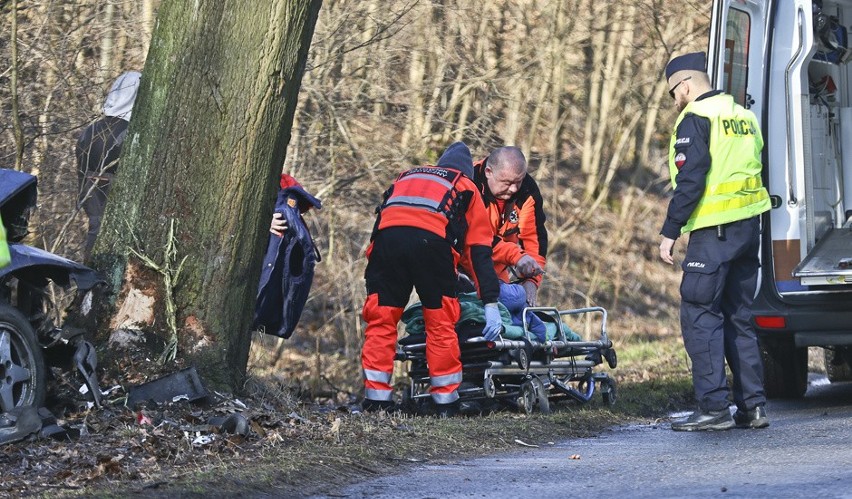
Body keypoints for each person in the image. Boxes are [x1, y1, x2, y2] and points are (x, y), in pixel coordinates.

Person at [660, 52, 771, 431]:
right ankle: (752, 407)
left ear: (685, 85)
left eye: (674, 91)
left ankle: (713, 408)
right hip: (748, 228)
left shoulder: (696, 119)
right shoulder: (743, 116)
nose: (675, 99)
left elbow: (690, 180)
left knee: (700, 313)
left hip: (714, 231)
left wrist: (669, 232)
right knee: (739, 317)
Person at [361, 142, 502, 417]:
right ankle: (445, 403)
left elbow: (383, 222)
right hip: (431, 246)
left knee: (381, 319)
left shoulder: (407, 176)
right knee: (439, 323)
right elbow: (478, 252)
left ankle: (376, 400)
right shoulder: (466, 186)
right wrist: (490, 301)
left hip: (386, 245)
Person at [75, 71, 141, 259]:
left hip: (95, 215)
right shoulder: (131, 133)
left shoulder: (90, 131)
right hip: (119, 218)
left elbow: (83, 180)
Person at [472, 147, 547, 306]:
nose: (513, 189)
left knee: (518, 306)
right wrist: (516, 256)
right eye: (507, 183)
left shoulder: (527, 191)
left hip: (498, 274)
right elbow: (476, 239)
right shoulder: (469, 184)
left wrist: (531, 280)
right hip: (463, 271)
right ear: (488, 172)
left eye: (518, 182)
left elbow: (534, 238)